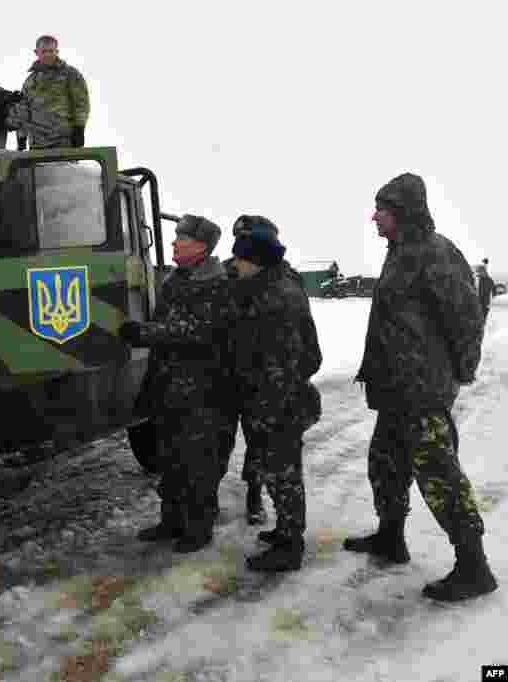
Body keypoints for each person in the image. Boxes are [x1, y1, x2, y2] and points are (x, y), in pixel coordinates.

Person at [345, 172, 497, 601]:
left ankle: (474, 566)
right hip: (396, 388)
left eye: (382, 210)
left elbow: (466, 319)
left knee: (439, 474)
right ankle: (391, 537)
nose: (374, 217)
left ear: (403, 212)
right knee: (385, 465)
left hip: (422, 389)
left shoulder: (436, 252)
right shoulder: (400, 252)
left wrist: (461, 371)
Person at [119, 214, 232, 553]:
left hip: (203, 390)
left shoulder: (217, 284)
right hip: (169, 386)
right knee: (169, 457)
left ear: (200, 246)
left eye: (180, 239)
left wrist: (144, 333)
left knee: (199, 460)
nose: (172, 243)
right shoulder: (174, 281)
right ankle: (171, 520)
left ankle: (198, 527)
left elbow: (199, 331)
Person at [227, 219, 322, 571]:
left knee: (283, 475)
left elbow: (291, 360)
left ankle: (290, 546)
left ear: (256, 261)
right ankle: (285, 532)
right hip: (273, 400)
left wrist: (270, 401)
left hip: (278, 404)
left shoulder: (276, 300)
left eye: (240, 259)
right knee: (279, 472)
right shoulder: (271, 285)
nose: (235, 265)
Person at [17, 35, 90, 151]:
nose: (48, 55)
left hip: (63, 141)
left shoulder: (70, 74)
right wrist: (21, 138)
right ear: (36, 52)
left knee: (64, 169)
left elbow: (81, 103)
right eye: (44, 51)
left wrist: (79, 129)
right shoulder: (30, 82)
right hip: (37, 145)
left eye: (51, 51)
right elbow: (23, 111)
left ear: (57, 51)